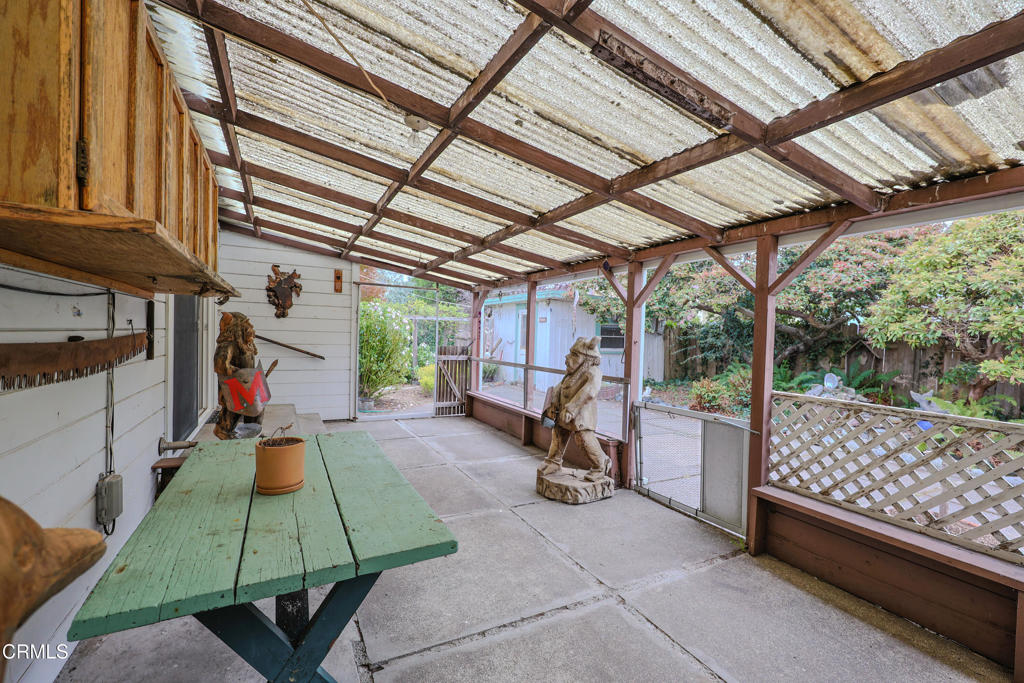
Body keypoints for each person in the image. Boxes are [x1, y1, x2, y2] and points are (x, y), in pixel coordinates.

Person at [538, 337, 610, 482]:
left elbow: (589, 392)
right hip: (563, 414)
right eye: (571, 353)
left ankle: (601, 465)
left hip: (581, 416)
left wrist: (572, 409)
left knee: (584, 439)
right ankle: (554, 462)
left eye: (575, 355)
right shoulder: (572, 373)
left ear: (587, 359)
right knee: (558, 435)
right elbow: (560, 387)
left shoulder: (593, 372)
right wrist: (553, 403)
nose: (568, 358)